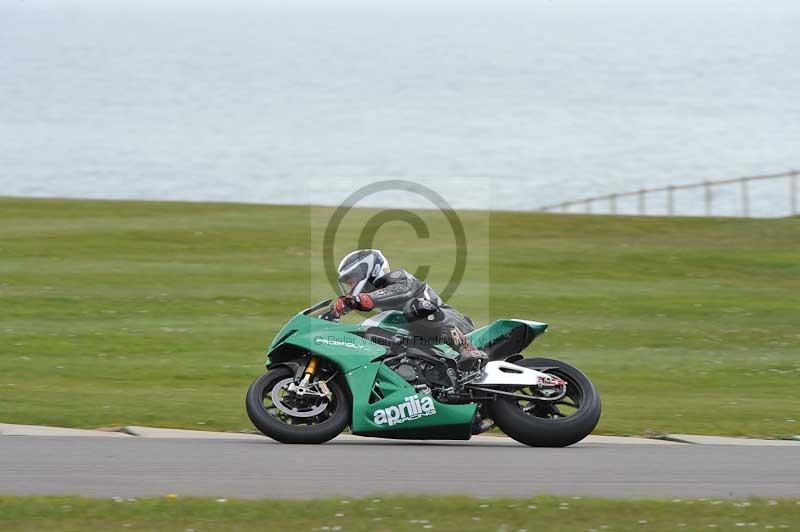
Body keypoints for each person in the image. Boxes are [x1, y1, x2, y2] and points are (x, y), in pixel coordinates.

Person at [332, 249, 488, 369]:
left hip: (454, 323)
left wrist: (360, 300)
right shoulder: (384, 308)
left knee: (414, 307)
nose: (351, 287)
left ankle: (466, 348)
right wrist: (331, 314)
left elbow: (403, 290)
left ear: (367, 271)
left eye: (351, 281)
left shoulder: (397, 277)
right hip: (428, 338)